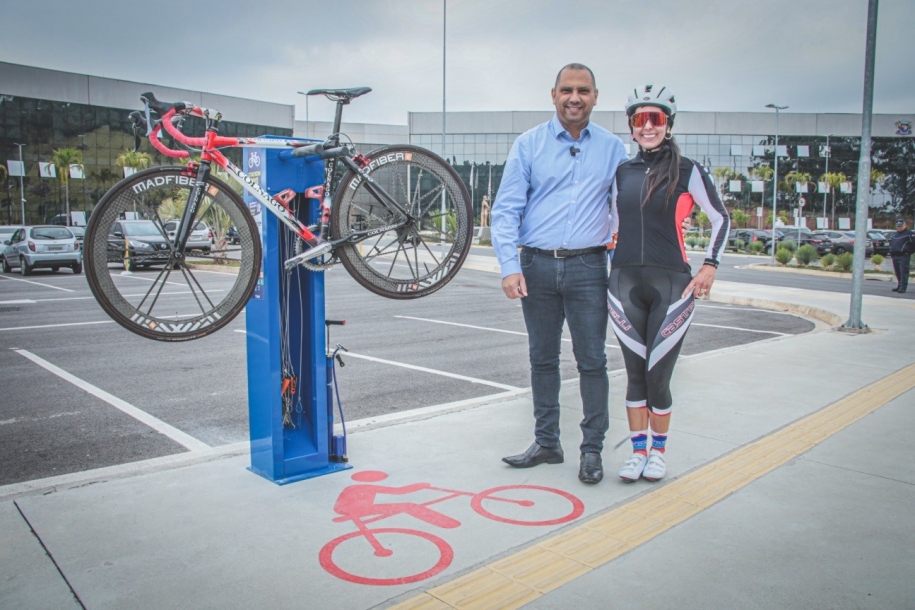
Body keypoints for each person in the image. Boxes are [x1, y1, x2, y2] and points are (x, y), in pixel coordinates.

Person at [492, 63, 628, 484]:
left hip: (590, 267)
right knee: (542, 359)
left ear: (595, 96)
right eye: (567, 90)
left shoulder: (613, 149)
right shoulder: (529, 144)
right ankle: (547, 442)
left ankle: (592, 451)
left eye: (583, 90)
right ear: (553, 95)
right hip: (536, 265)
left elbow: (625, 212)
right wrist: (509, 267)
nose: (574, 97)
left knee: (592, 361)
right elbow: (506, 210)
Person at [608, 84, 729, 483]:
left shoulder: (687, 170)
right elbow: (608, 225)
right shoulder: (621, 172)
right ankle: (637, 453)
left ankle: (658, 454)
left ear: (668, 125)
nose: (648, 126)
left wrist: (709, 265)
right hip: (623, 282)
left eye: (655, 119)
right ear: (631, 127)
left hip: (673, 286)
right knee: (635, 375)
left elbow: (720, 218)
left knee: (659, 375)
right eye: (640, 119)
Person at [889, 218, 914, 294]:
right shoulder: (894, 234)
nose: (899, 227)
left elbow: (913, 244)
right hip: (895, 255)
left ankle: (903, 287)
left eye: (901, 226)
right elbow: (892, 244)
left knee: (904, 272)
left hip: (904, 255)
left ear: (905, 225)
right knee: (898, 272)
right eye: (898, 226)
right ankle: (899, 285)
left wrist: (909, 252)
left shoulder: (909, 233)